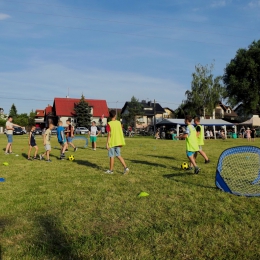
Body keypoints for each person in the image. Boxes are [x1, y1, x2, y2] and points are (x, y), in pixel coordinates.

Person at [105, 109, 129, 174]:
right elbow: (120, 131)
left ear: (109, 116)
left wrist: (107, 143)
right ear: (115, 115)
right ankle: (126, 168)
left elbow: (109, 134)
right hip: (118, 142)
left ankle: (111, 170)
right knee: (118, 155)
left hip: (112, 142)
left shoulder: (109, 124)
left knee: (111, 156)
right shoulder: (119, 123)